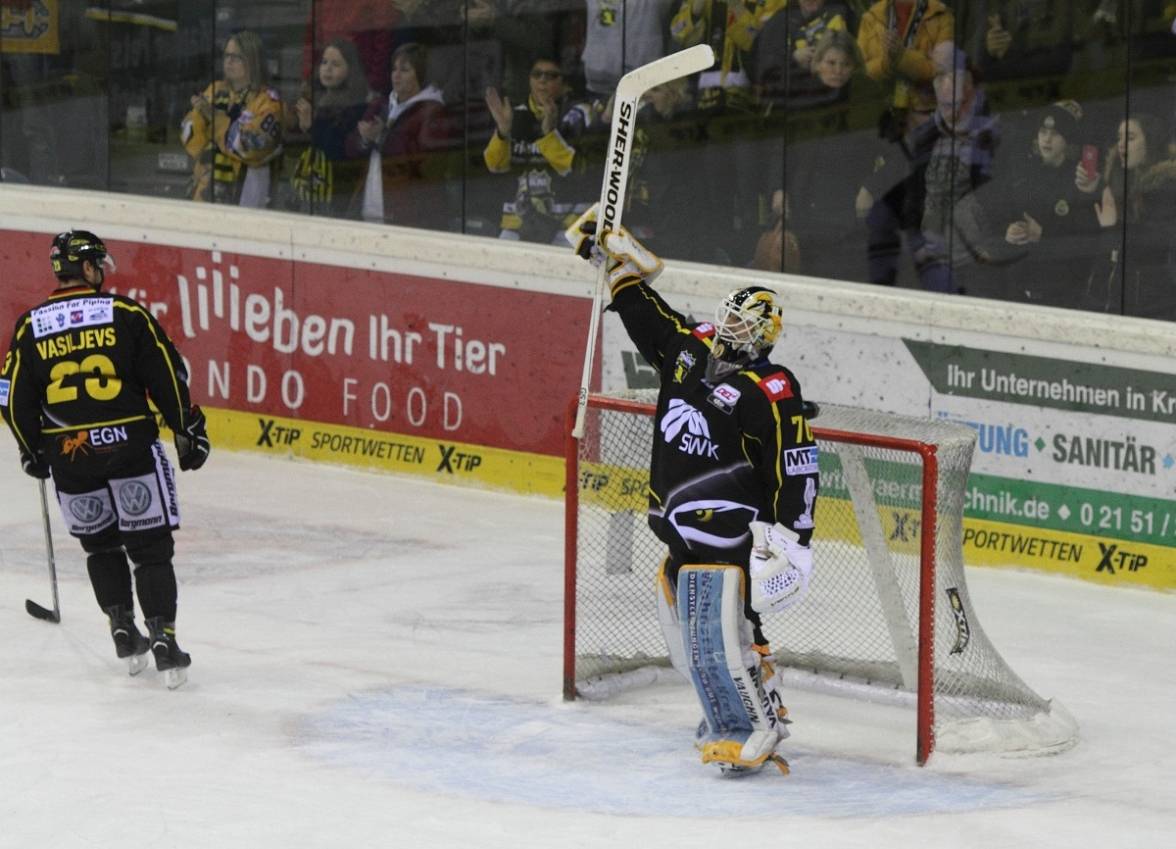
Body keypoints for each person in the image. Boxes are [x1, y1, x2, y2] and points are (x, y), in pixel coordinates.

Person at [566, 206, 820, 776]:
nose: (730, 333)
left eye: (744, 328)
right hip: (680, 531)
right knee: (688, 646)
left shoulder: (771, 390)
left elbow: (797, 467)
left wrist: (794, 540)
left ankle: (760, 722)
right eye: (728, 320)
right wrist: (615, 268)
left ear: (764, 338)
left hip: (734, 535)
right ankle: (730, 711)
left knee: (725, 635)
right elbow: (646, 318)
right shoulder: (688, 350)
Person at [0, 231, 209, 688]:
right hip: (130, 448)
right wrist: (185, 427)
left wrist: (30, 447)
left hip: (71, 459)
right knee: (150, 548)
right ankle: (163, 638)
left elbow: (10, 396)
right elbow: (167, 371)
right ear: (89, 268)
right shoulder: (125, 313)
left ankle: (121, 628)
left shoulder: (30, 326)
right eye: (99, 265)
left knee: (100, 545)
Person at [483, 56, 594, 244]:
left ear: (564, 84)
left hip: (569, 225)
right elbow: (494, 166)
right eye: (537, 74)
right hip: (518, 225)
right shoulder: (513, 114)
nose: (542, 80)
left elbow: (576, 170)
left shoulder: (580, 114)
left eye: (551, 75)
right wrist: (502, 132)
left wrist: (549, 133)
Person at [347, 42, 452, 228]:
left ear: (420, 73)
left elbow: (425, 163)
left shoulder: (433, 111)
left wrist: (383, 138)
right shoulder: (381, 105)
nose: (396, 75)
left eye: (404, 70)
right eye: (394, 68)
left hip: (410, 218)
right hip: (367, 210)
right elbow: (350, 148)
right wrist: (364, 139)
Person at [181, 31, 284, 207]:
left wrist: (214, 120)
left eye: (237, 57)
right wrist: (229, 133)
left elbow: (249, 147)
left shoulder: (268, 101)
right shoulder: (215, 89)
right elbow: (188, 133)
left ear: (253, 61)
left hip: (246, 202)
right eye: (227, 55)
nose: (229, 61)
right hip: (204, 196)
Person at [288, 38, 373, 218]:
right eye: (324, 62)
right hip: (308, 188)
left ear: (350, 70)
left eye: (336, 64)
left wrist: (311, 127)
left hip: (337, 194)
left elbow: (339, 152)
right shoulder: (315, 98)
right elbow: (294, 146)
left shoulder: (357, 107)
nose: (327, 68)